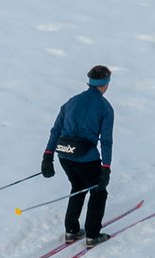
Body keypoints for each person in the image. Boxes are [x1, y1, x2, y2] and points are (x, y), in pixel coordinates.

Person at [41, 65, 115, 246]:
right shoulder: (105, 108)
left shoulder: (71, 102)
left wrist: (48, 156)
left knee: (78, 186)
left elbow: (56, 130)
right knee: (98, 192)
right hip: (87, 158)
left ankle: (72, 231)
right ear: (105, 84)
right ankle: (92, 235)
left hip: (64, 155)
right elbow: (106, 141)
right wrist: (106, 167)